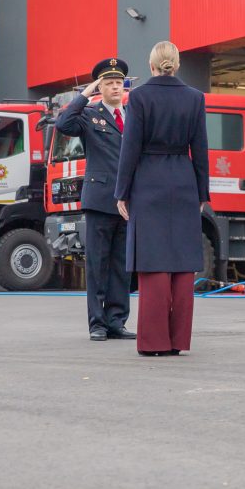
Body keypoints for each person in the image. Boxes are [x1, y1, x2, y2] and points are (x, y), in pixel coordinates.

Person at [115, 41, 209, 356]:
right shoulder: (195, 98)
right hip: (183, 180)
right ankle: (178, 340)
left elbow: (130, 148)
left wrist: (122, 191)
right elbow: (202, 150)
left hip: (148, 181)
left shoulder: (139, 97)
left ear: (152, 65)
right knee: (183, 263)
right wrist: (201, 192)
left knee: (153, 261)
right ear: (177, 65)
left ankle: (154, 342)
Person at [55, 58, 136, 342]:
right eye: (109, 83)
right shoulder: (90, 114)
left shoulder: (132, 115)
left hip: (128, 201)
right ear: (100, 87)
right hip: (101, 198)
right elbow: (63, 123)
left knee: (121, 266)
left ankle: (116, 321)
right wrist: (84, 94)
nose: (115, 87)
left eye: (118, 83)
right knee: (97, 265)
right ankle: (97, 324)